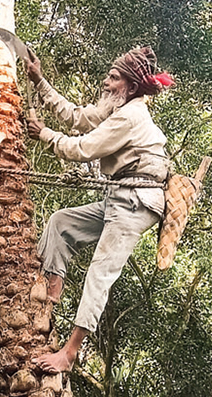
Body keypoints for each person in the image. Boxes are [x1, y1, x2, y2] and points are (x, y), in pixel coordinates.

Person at [26, 47, 174, 373]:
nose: (106, 83)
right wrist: (39, 81)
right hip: (121, 195)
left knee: (99, 274)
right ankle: (52, 291)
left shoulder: (131, 116)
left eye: (113, 78)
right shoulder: (120, 107)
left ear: (131, 87)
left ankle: (69, 354)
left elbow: (83, 148)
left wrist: (43, 134)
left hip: (136, 202)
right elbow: (81, 118)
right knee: (61, 222)